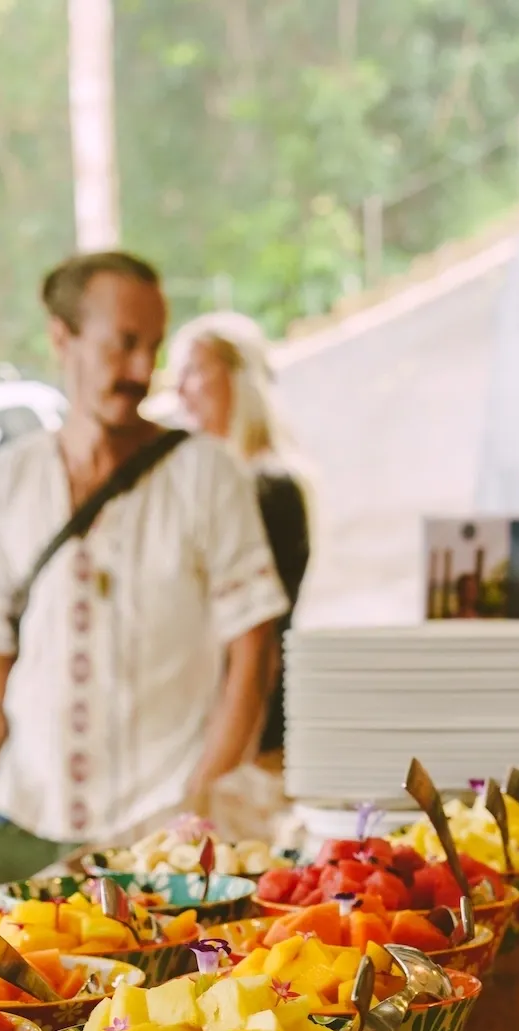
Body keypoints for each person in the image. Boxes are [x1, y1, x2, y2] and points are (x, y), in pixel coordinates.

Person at [0, 251, 289, 888]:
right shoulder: (14, 476)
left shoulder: (206, 473)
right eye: (124, 344)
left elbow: (254, 654)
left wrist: (197, 809)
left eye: (153, 347)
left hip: (161, 833)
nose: (143, 369)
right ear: (63, 337)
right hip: (19, 821)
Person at [170, 312, 311, 757]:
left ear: (237, 376)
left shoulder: (269, 487)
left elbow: (257, 639)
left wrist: (229, 756)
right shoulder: (211, 484)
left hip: (249, 732)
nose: (180, 391)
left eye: (194, 370)